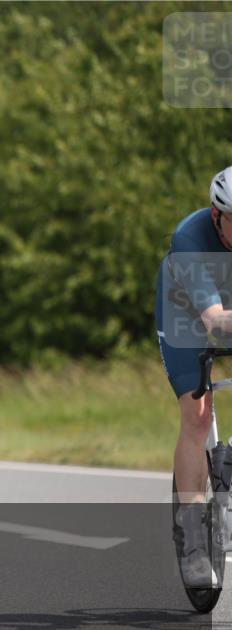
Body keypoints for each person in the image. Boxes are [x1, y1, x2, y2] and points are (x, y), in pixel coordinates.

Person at [155, 166, 232, 588]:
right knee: (198, 413)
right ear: (217, 215)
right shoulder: (189, 240)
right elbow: (217, 322)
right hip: (186, 313)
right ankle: (193, 542)